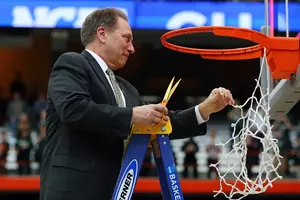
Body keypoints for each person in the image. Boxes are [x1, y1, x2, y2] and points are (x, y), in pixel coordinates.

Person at [40, 8, 235, 200]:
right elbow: (74, 109)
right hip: (73, 190)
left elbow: (158, 123)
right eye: (127, 38)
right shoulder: (72, 63)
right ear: (102, 34)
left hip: (115, 190)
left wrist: (204, 109)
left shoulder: (127, 89)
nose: (132, 48)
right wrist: (133, 116)